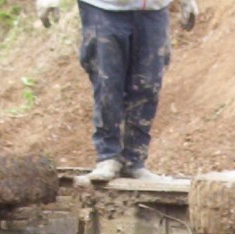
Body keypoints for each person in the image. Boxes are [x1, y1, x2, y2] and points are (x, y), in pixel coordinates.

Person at [36, 0, 199, 182]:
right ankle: (108, 156)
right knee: (107, 83)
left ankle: (134, 160)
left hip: (153, 8)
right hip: (103, 8)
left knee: (148, 85)